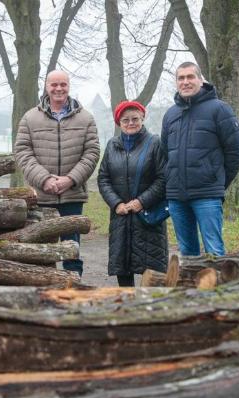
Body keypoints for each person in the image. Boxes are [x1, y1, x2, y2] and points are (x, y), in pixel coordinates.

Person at [13, 70, 100, 276]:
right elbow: (23, 152)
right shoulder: (30, 118)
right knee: (40, 250)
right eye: (54, 84)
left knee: (72, 249)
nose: (58, 88)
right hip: (41, 196)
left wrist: (70, 180)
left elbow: (92, 152)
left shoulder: (86, 118)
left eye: (63, 84)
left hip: (72, 195)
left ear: (68, 86)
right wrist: (44, 179)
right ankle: (42, 288)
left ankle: (73, 285)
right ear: (46, 87)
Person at [161, 62, 239, 257]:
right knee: (187, 253)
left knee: (214, 251)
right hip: (176, 196)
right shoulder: (170, 114)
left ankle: (215, 288)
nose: (186, 82)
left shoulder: (220, 109)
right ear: (176, 82)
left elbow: (236, 150)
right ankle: (192, 288)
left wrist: (217, 181)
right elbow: (165, 153)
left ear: (200, 79)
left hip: (207, 195)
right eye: (181, 78)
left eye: (190, 77)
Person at [98, 100, 168, 287]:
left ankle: (152, 310)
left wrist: (141, 201)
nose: (131, 123)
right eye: (126, 120)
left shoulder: (154, 143)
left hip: (146, 215)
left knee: (152, 270)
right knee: (123, 267)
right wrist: (116, 203)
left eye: (135, 119)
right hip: (121, 216)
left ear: (142, 119)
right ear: (119, 122)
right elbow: (103, 178)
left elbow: (163, 179)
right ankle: (127, 309)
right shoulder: (112, 145)